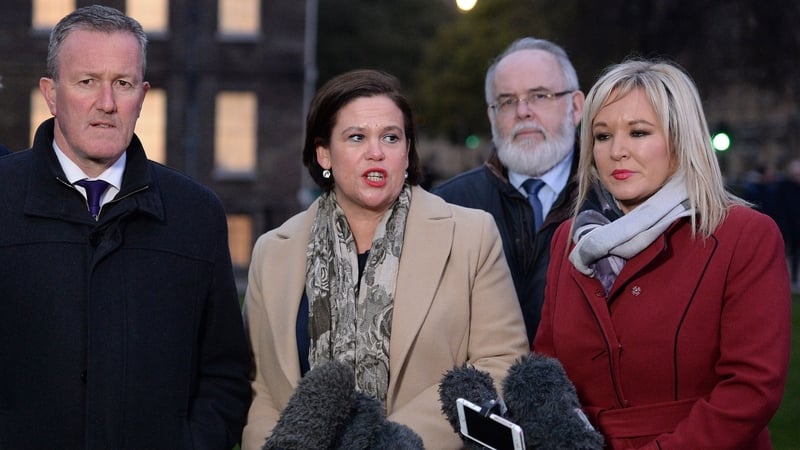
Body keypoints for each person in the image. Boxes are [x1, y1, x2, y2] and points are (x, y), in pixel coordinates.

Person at [0, 6, 251, 448]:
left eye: (123, 83)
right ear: (51, 94)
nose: (107, 103)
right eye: (86, 81)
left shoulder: (195, 214)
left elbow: (225, 373)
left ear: (143, 95)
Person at [241, 69, 529, 449]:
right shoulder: (272, 251)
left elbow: (501, 363)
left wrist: (390, 442)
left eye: (391, 137)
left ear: (407, 152)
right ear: (324, 152)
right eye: (356, 137)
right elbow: (259, 388)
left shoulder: (471, 236)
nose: (376, 152)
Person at [533, 59, 791, 449]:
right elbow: (545, 371)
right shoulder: (568, 240)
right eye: (602, 136)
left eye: (638, 132)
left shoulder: (744, 236)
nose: (617, 151)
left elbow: (751, 389)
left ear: (680, 139)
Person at [433, 37, 588, 342]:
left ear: (575, 106)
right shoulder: (447, 208)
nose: (523, 111)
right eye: (507, 101)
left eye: (539, 96)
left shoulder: (614, 199)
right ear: (492, 116)